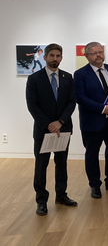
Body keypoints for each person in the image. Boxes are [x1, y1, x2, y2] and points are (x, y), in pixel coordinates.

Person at [26, 43, 77, 216]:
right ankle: (41, 201)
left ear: (61, 58)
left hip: (63, 129)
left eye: (58, 56)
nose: (55, 59)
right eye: (52, 56)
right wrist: (49, 124)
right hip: (43, 130)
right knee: (41, 166)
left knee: (61, 164)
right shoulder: (34, 79)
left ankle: (61, 195)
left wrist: (60, 122)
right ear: (45, 57)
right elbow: (32, 105)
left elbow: (72, 102)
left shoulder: (68, 77)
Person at [74, 42, 108, 199]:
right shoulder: (80, 74)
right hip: (93, 121)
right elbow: (80, 97)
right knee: (92, 154)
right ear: (86, 56)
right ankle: (95, 185)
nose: (98, 55)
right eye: (94, 53)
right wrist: (103, 108)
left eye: (100, 52)